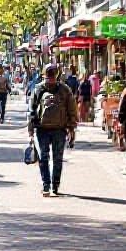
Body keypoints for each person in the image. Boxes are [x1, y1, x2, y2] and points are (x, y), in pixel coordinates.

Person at [28, 63, 78, 197]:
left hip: (47, 129)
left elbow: (31, 110)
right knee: (54, 158)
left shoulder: (39, 88)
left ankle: (50, 185)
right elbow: (72, 109)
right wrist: (72, 128)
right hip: (54, 129)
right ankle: (51, 185)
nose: (50, 78)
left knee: (46, 158)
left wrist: (30, 130)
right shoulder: (64, 89)